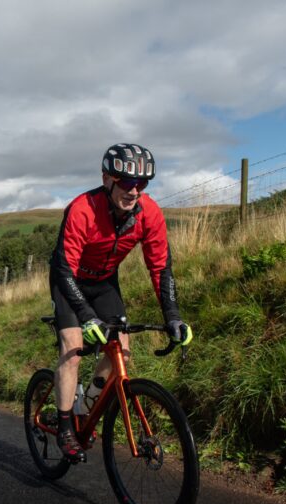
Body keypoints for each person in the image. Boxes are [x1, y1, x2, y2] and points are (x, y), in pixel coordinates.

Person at [48, 143, 193, 462]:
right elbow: (64, 267)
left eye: (142, 184)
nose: (134, 191)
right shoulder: (82, 209)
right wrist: (86, 317)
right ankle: (64, 427)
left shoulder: (149, 213)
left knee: (121, 352)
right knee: (73, 348)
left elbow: (160, 267)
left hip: (103, 282)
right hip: (68, 279)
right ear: (107, 179)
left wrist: (172, 316)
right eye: (127, 183)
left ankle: (84, 409)